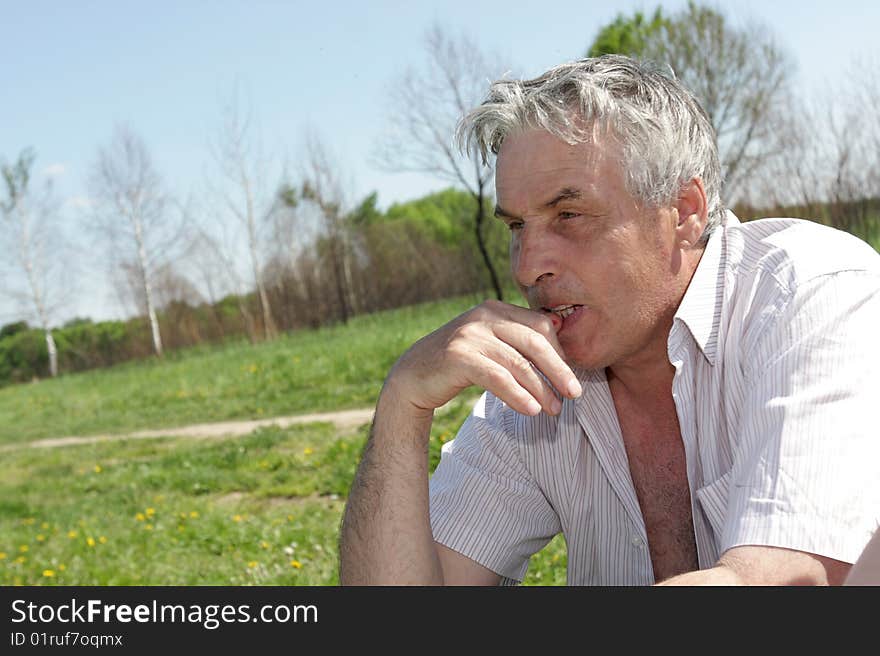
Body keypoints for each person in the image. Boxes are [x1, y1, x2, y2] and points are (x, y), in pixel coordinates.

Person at [338, 54, 880, 585]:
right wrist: (402, 405)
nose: (527, 266)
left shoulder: (809, 295)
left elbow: (783, 581)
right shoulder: (536, 390)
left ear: (684, 211)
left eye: (568, 215)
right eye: (516, 227)